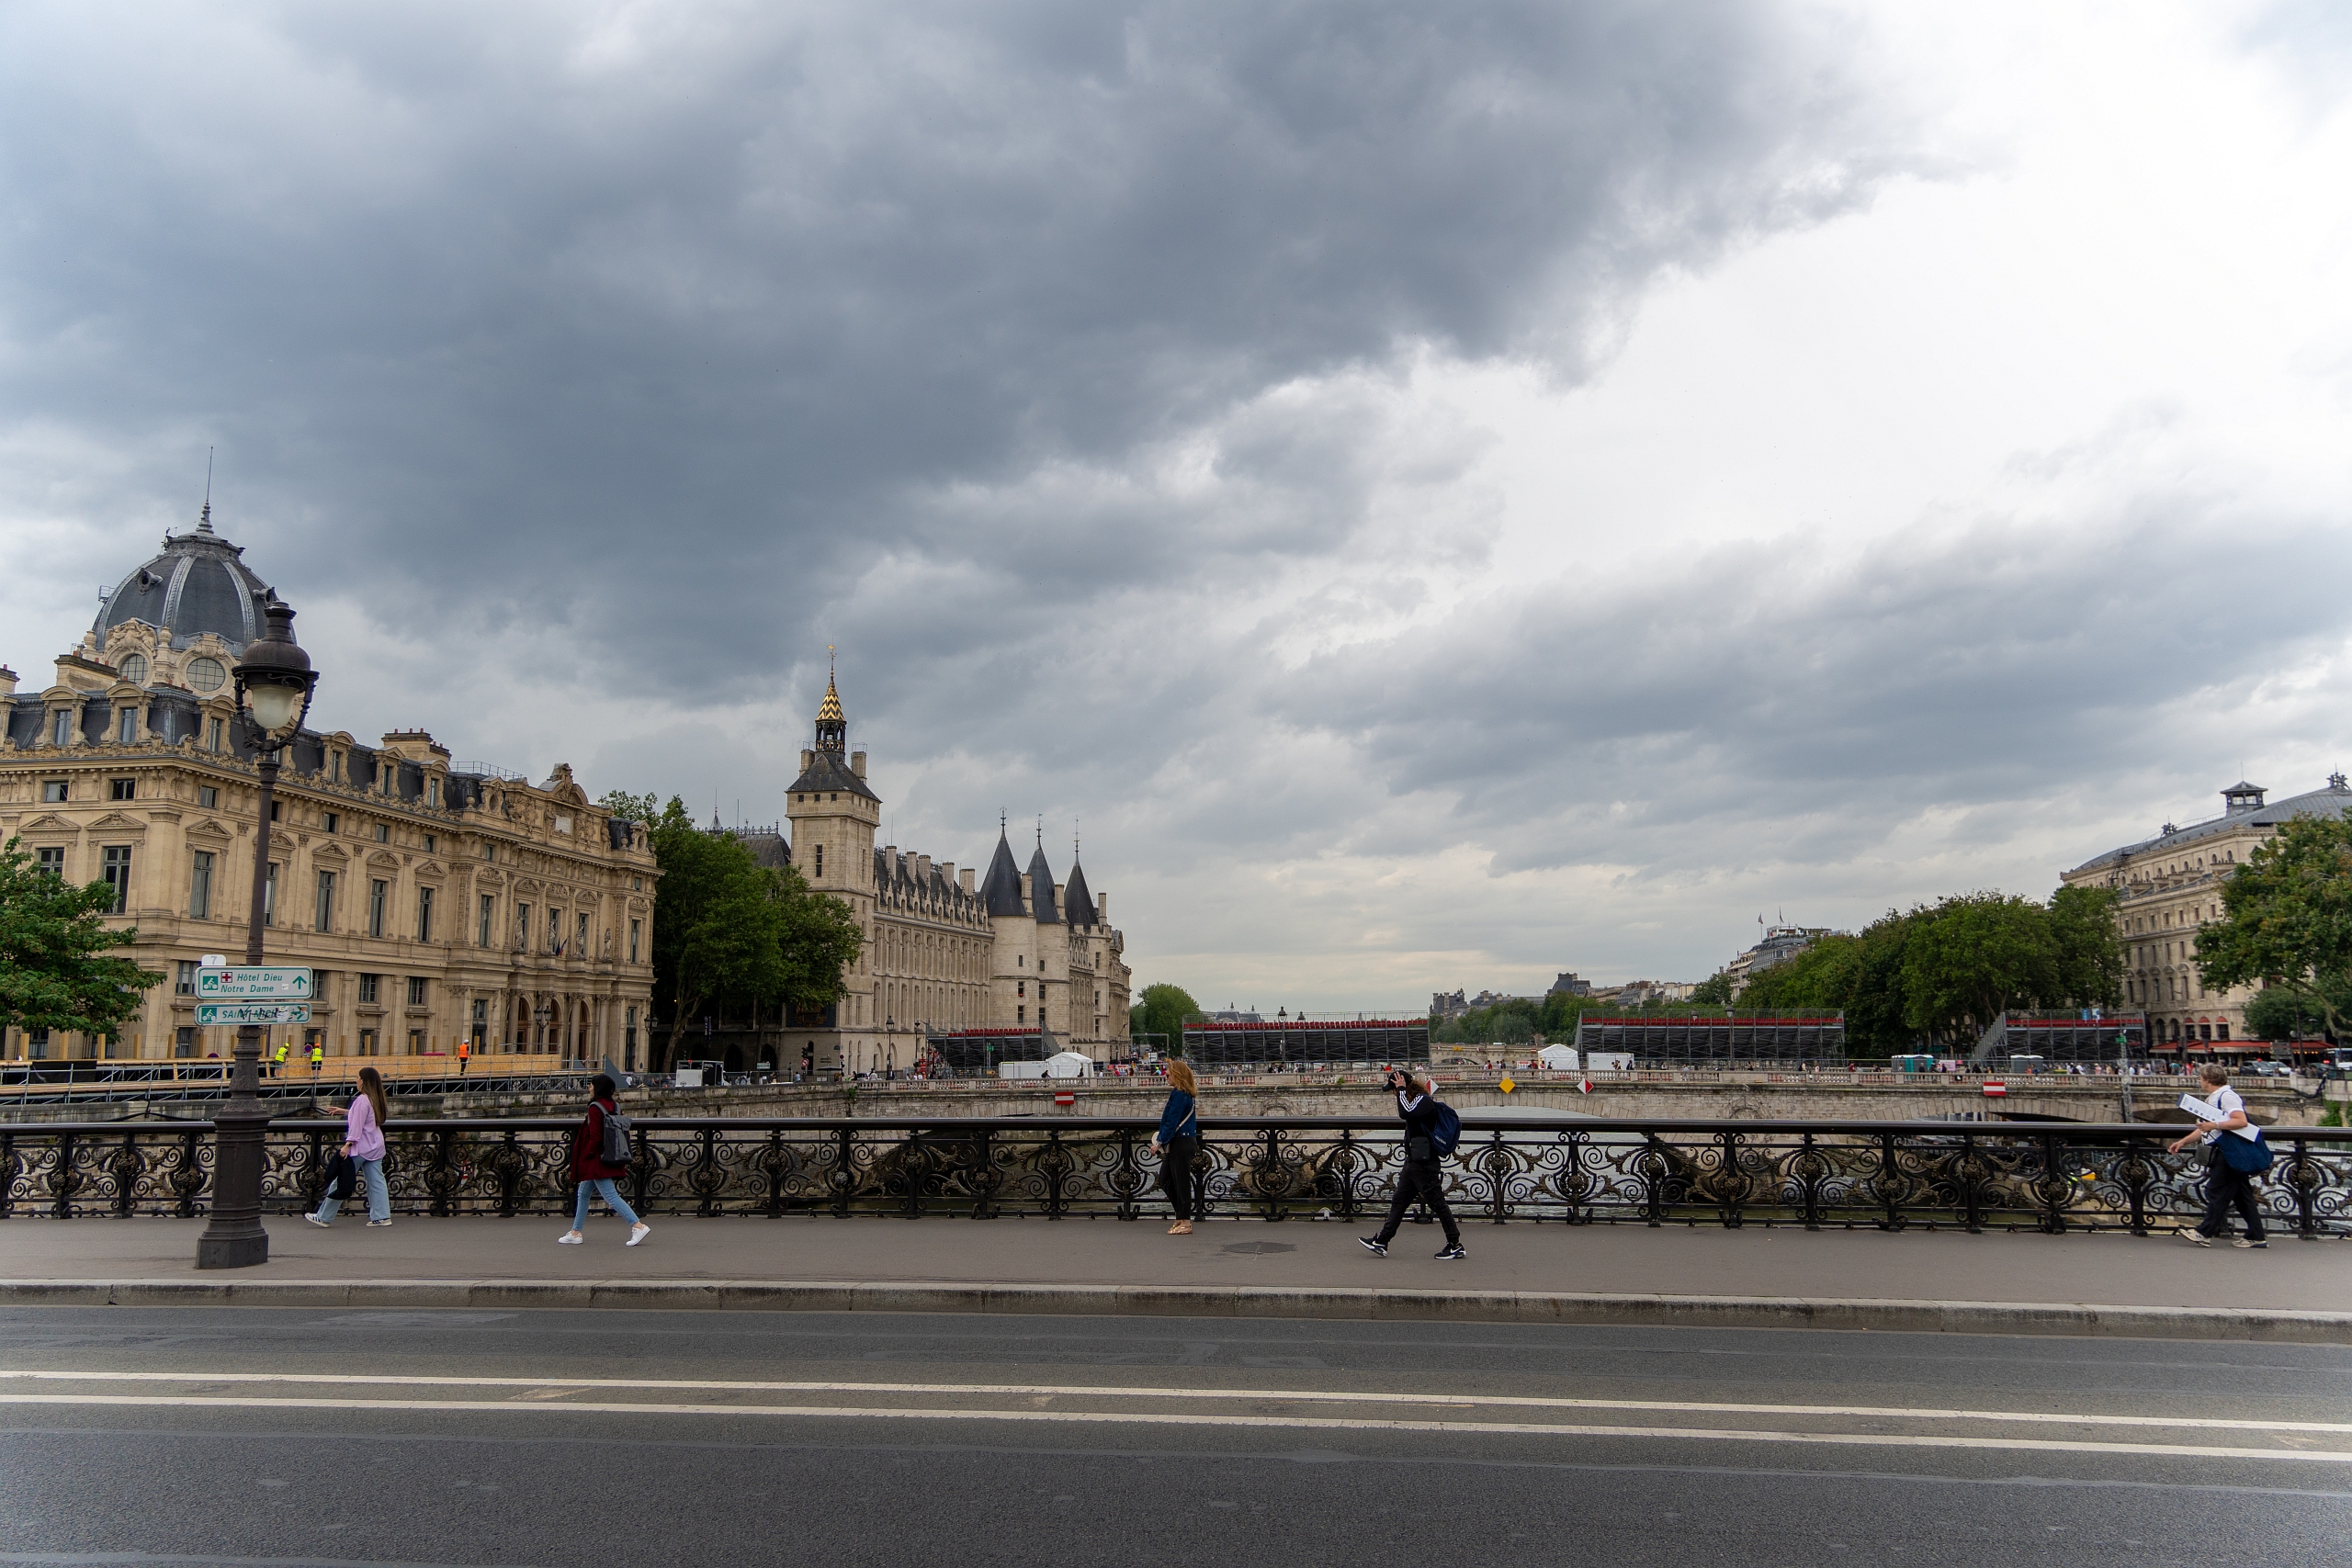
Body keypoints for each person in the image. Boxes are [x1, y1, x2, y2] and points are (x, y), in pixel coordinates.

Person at [1361, 1066, 1464, 1260]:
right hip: (1414, 1163)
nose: (1393, 1093)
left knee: (1438, 1204)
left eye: (1393, 1089)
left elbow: (1405, 1112)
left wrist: (1401, 1089)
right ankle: (1382, 1241)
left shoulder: (1422, 1101)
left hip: (1425, 1164)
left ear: (1404, 1086)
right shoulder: (1415, 1102)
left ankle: (1455, 1244)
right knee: (1399, 1202)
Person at [2168, 1064, 2267, 1248]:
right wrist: (2183, 1141)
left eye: (2200, 1078)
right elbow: (2206, 1127)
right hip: (2229, 1151)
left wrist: (2215, 1126)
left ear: (2208, 1080)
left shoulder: (2227, 1097)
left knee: (2215, 1190)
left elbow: (2240, 1121)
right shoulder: (2216, 1097)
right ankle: (2257, 1235)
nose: (2200, 1081)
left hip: (2230, 1152)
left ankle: (2204, 1232)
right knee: (2242, 1196)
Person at [560, 1073, 650, 1247]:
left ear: (598, 1087)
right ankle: (575, 1232)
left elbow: (595, 1137)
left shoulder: (595, 1107)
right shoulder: (614, 1105)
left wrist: (586, 1155)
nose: (589, 1087)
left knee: (610, 1196)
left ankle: (637, 1225)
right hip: (610, 1154)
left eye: (592, 1085)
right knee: (583, 1192)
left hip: (597, 1158)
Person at [307, 1066, 391, 1227]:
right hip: (376, 1147)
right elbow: (366, 1116)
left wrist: (347, 1145)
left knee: (339, 1181)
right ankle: (382, 1216)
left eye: (358, 1077)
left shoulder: (361, 1100)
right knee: (376, 1181)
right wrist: (345, 1111)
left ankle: (324, 1217)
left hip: (360, 1148)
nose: (356, 1080)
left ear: (364, 1082)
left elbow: (357, 1126)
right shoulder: (376, 1099)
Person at [1149, 1055, 1201, 1235]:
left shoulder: (1180, 1094)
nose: (1166, 1077)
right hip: (1178, 1143)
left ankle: (1185, 1222)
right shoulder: (1182, 1094)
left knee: (1181, 1183)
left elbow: (1172, 1122)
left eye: (1169, 1074)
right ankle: (1180, 1215)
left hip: (1180, 1142)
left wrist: (1159, 1142)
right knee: (1166, 1179)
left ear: (1177, 1076)